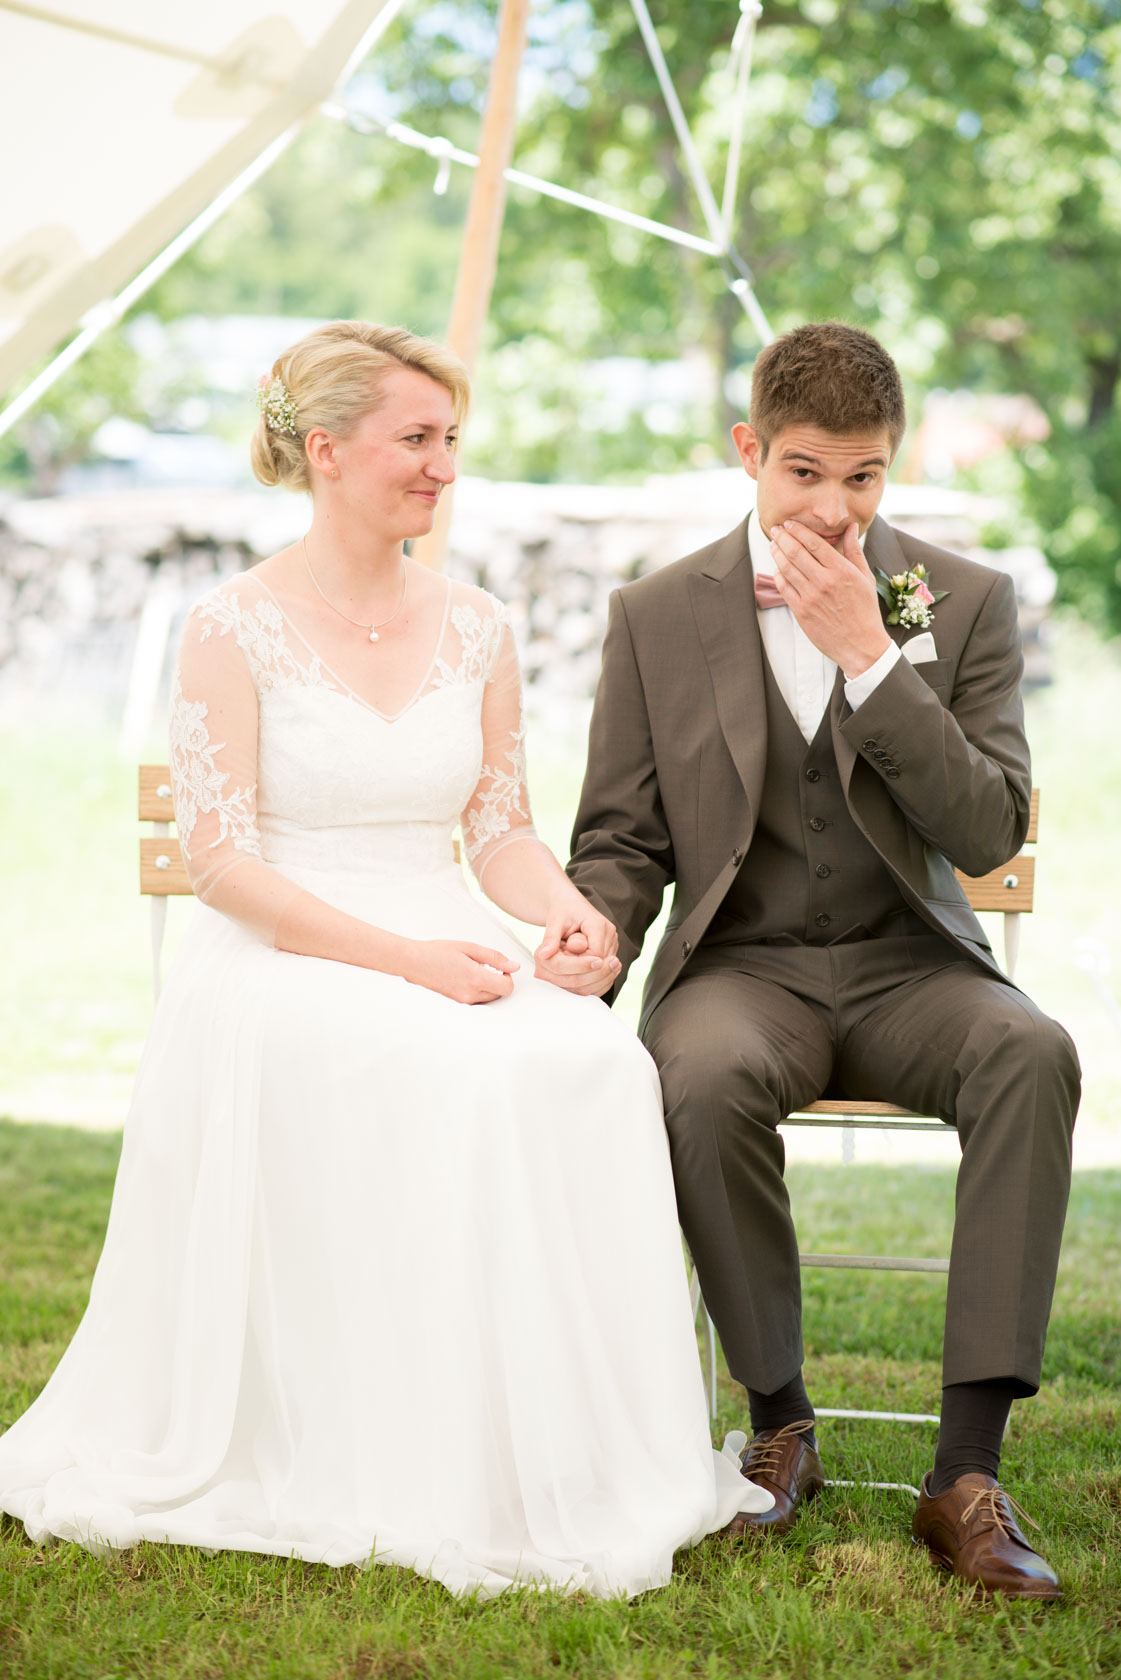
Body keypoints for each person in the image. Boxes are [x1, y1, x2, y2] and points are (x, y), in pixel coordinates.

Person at [0, 321, 771, 1598]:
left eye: (450, 440)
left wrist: (564, 914)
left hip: (446, 936)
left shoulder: (475, 624)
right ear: (327, 450)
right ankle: (413, 1458)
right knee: (463, 1075)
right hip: (282, 957)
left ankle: (570, 1459)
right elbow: (224, 863)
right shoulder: (228, 625)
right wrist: (407, 962)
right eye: (417, 439)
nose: (442, 467)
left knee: (587, 1057)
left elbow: (498, 830)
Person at [557, 321, 1080, 1599]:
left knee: (1033, 1056)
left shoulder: (961, 601)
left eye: (863, 478)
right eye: (803, 473)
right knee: (692, 1074)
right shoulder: (653, 614)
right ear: (748, 451)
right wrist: (591, 933)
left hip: (913, 967)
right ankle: (780, 1423)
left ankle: (963, 1470)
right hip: (745, 968)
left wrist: (865, 653)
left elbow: (982, 828)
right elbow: (621, 836)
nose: (835, 509)